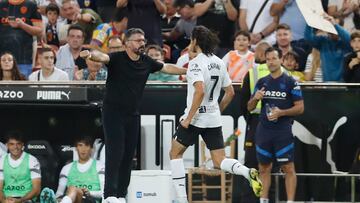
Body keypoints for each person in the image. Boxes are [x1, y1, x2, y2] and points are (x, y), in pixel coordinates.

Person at [79, 28, 187, 203]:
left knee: (129, 155)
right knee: (115, 153)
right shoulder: (117, 58)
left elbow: (166, 67)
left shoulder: (146, 61)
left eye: (143, 40)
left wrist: (186, 71)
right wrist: (90, 55)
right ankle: (110, 195)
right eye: (138, 40)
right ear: (127, 43)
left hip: (133, 114)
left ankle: (121, 195)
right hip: (112, 113)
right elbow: (102, 57)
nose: (142, 43)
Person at [168, 25, 263, 203]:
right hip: (213, 118)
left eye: (191, 40)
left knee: (175, 154)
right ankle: (245, 171)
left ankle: (181, 199)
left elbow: (200, 91)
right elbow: (230, 92)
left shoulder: (197, 62)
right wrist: (217, 110)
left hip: (195, 118)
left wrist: (188, 118)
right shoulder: (219, 62)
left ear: (196, 41)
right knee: (219, 161)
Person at [247, 47, 304, 203]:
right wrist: (255, 98)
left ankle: (290, 201)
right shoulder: (262, 81)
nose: (271, 62)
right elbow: (249, 108)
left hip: (282, 132)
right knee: (263, 168)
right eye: (268, 59)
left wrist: (281, 113)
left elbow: (300, 108)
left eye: (274, 58)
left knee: (288, 168)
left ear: (281, 59)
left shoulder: (291, 82)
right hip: (264, 131)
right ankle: (263, 200)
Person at [39, 136, 105, 203]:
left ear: (92, 149)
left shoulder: (99, 166)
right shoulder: (66, 168)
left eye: (86, 145)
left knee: (73, 189)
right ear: (76, 148)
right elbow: (59, 193)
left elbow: (104, 194)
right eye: (80, 145)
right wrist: (58, 199)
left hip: (90, 200)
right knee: (72, 190)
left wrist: (90, 193)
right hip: (72, 199)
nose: (83, 149)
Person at [0, 0, 43, 78]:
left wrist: (22, 25)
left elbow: (40, 31)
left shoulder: (31, 5)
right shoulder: (1, 5)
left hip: (23, 59)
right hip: (2, 59)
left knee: (22, 88)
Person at [0, 131, 42, 203]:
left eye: (18, 144)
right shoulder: (2, 160)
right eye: (12, 144)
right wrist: (4, 201)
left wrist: (20, 200)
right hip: (7, 198)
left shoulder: (32, 160)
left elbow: (36, 189)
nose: (15, 147)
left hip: (25, 198)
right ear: (7, 145)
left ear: (22, 145)